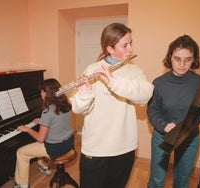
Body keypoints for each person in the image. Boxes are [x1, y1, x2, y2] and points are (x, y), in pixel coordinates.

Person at [70, 23, 154, 188]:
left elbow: (146, 94)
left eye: (131, 43)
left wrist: (114, 82)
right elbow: (77, 108)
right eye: (125, 45)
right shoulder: (92, 69)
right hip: (95, 149)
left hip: (124, 148)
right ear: (110, 48)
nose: (130, 49)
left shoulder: (134, 71)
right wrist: (85, 93)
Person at [147, 35, 200, 188]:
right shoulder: (159, 83)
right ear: (169, 57)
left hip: (189, 138)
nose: (182, 64)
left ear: (194, 59)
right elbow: (152, 110)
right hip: (162, 136)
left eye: (188, 59)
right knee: (157, 181)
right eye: (177, 59)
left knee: (182, 182)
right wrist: (164, 126)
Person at [13, 78, 75, 188]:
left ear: (47, 93)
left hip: (55, 148)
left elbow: (40, 139)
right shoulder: (65, 103)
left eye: (41, 91)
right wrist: (43, 121)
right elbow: (58, 121)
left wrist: (27, 129)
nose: (40, 93)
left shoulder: (48, 110)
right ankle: (42, 164)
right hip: (68, 143)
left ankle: (22, 184)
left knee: (21, 152)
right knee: (40, 140)